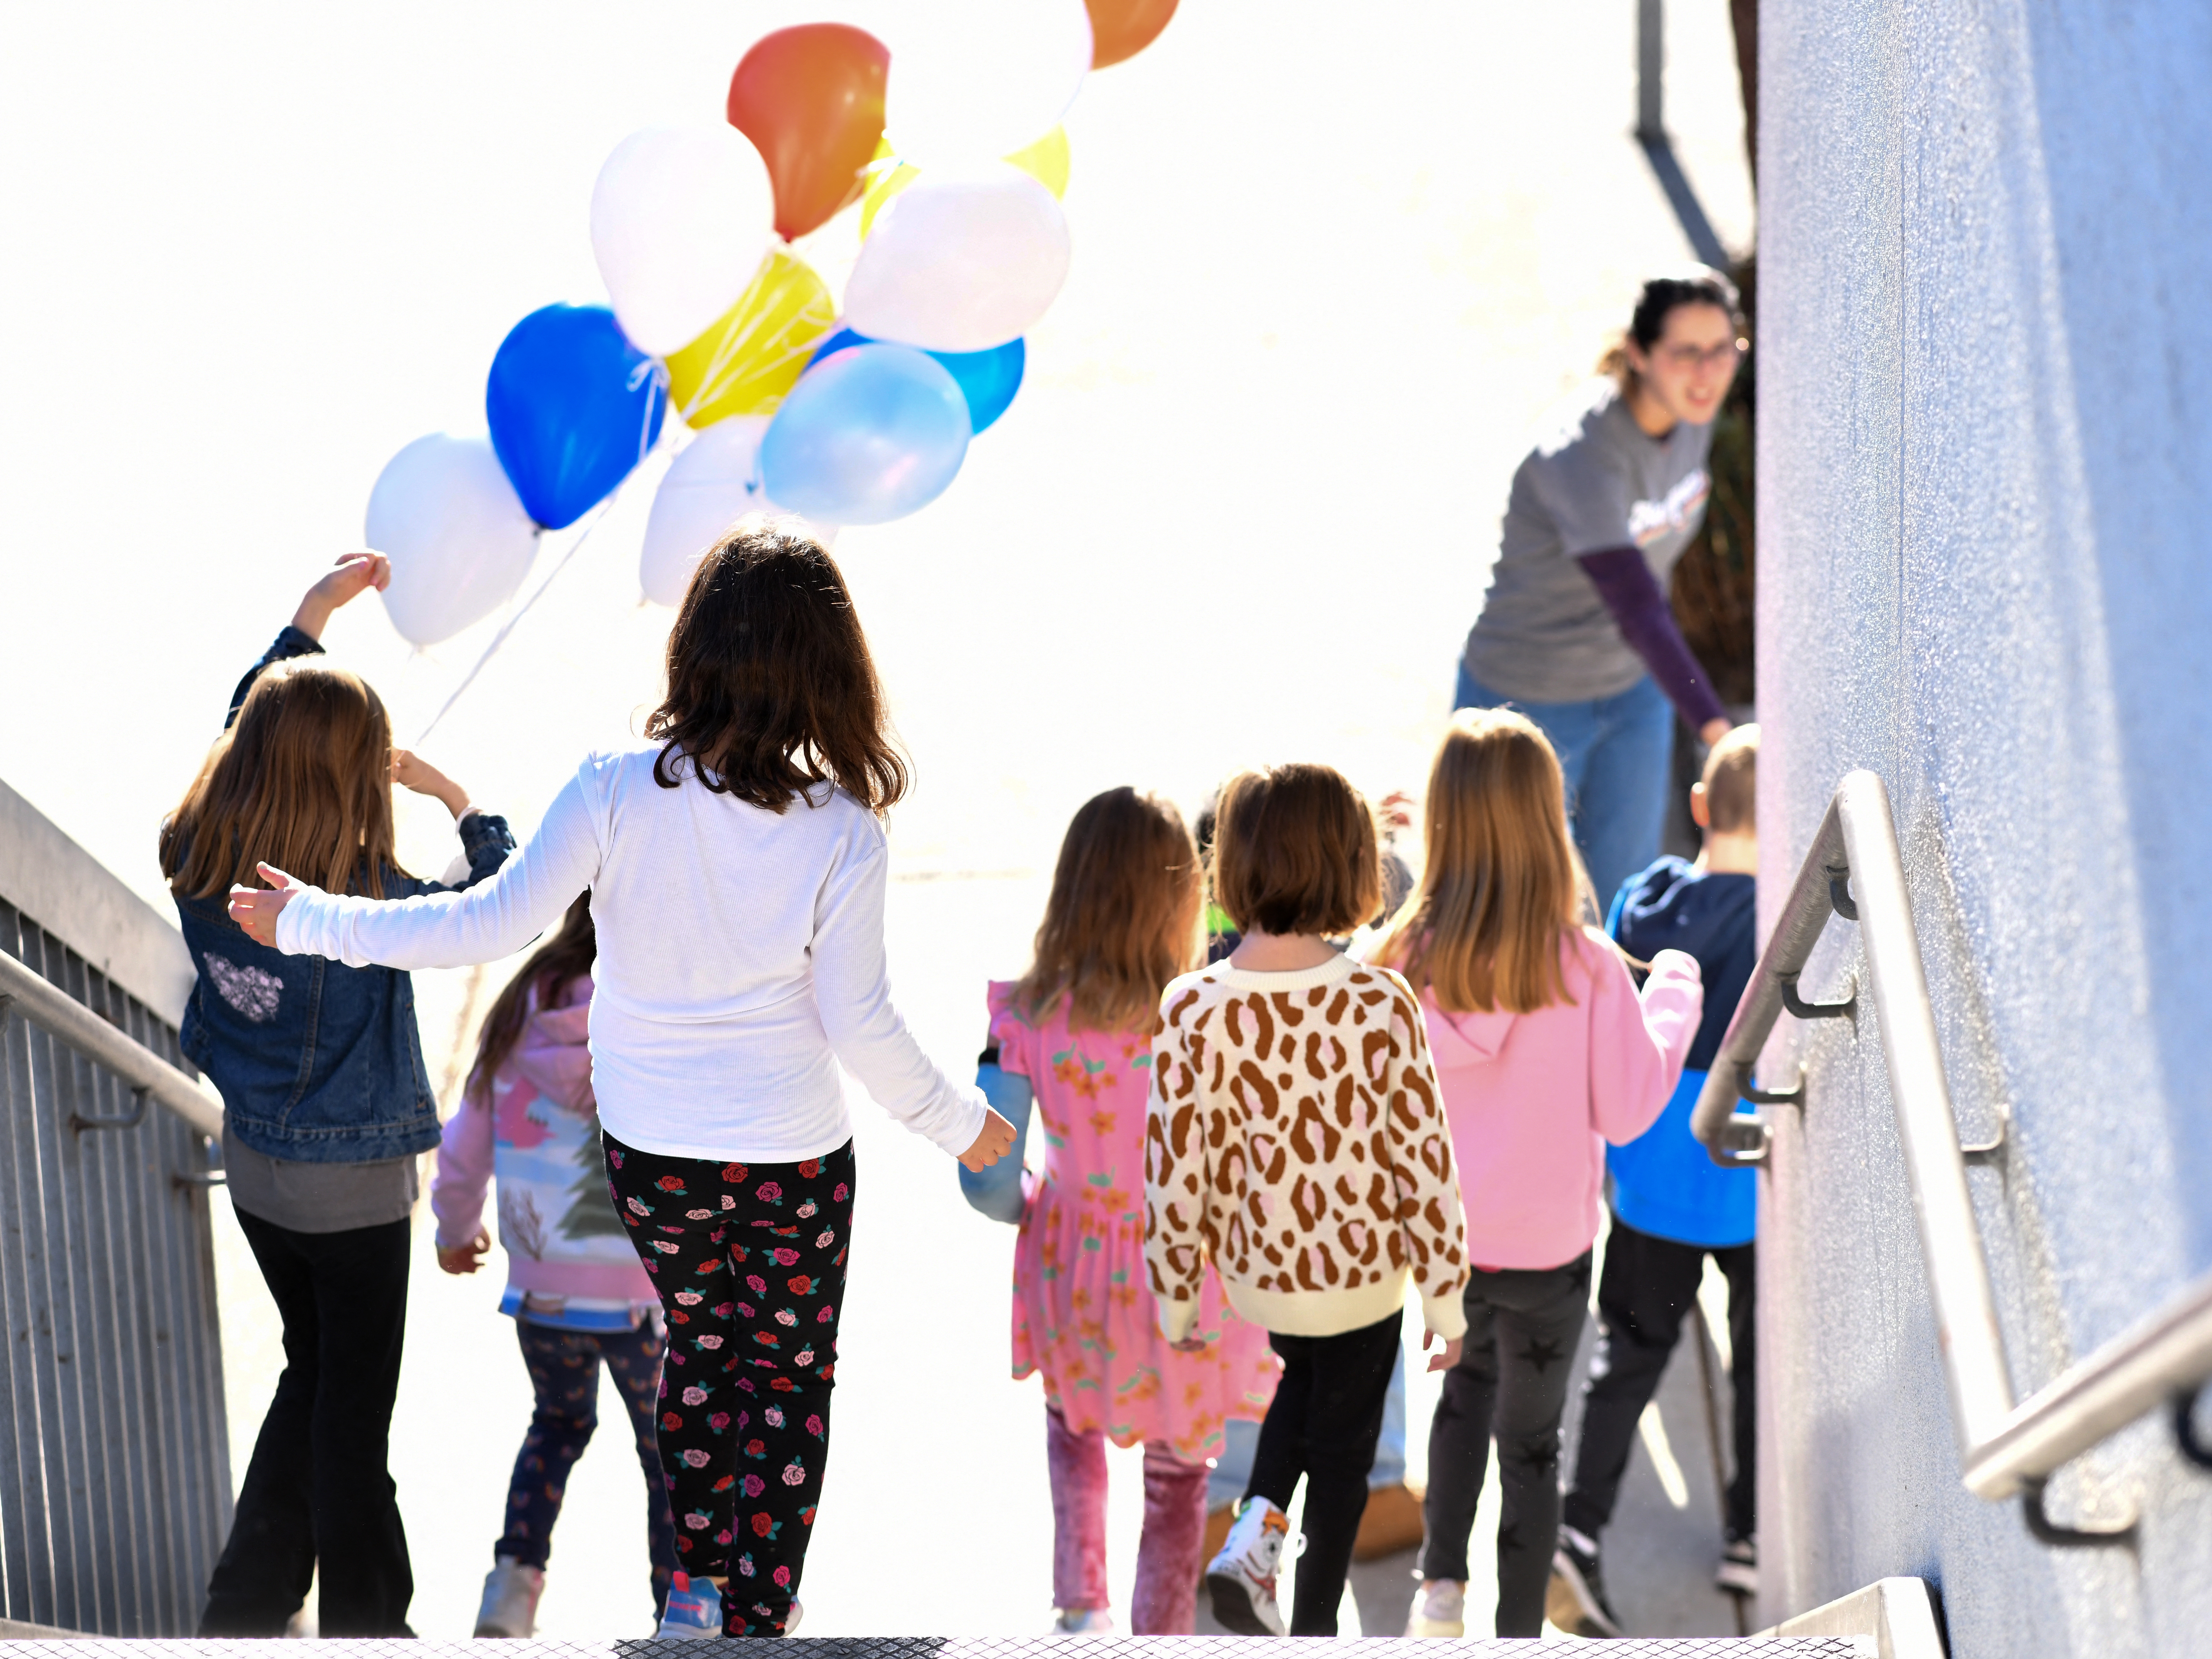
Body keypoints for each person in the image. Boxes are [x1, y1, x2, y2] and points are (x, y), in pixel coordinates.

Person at [225, 521, 1017, 1640]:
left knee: (698, 1345)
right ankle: (758, 1611)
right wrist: (966, 1126)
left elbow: (479, 924)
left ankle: (693, 1594)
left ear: (691, 650)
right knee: (786, 1378)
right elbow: (860, 1024)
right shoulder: (842, 832)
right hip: (792, 1153)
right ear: (831, 668)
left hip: (652, 1150)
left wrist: (310, 918)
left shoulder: (608, 790)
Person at [163, 552, 516, 1638]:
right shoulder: (367, 903)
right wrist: (458, 797)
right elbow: (496, 901)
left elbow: (250, 725)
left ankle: (246, 1602)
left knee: (314, 1369)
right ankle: (372, 1625)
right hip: (354, 1195)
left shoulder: (194, 846)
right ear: (358, 781)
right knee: (352, 1416)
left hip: (262, 1175)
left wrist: (311, 619)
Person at [1362, 708, 1701, 1640]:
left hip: (1447, 1250)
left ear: (1444, 820)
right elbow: (1630, 1108)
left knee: (1461, 1401)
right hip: (1551, 1249)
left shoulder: (1400, 960)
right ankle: (1516, 1631)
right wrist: (1673, 991)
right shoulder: (1587, 963)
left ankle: (1439, 1586)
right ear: (1547, 817)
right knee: (1533, 1445)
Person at [1143, 763, 1470, 1639]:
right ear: (1354, 867)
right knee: (1344, 1457)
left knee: (1302, 1375)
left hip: (1261, 1274)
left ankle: (1254, 1532)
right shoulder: (1380, 1000)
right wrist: (1446, 1295)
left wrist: (1176, 1293)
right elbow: (1423, 1158)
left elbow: (1174, 1168)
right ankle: (1314, 1621)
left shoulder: (1191, 1004)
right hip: (1364, 1276)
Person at [958, 788, 1278, 1634]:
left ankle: (1079, 1606)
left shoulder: (1026, 1015)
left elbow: (986, 1175)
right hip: (1187, 1280)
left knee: (1074, 1431)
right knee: (1179, 1477)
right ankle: (1158, 1633)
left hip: (1073, 1264)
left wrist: (1033, 1205)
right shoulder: (1220, 1015)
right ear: (1182, 894)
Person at [1551, 725, 1762, 1636]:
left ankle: (1578, 1531)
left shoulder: (1645, 895)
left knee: (1625, 1358)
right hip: (1743, 1191)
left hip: (1643, 1183)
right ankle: (1748, 1529)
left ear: (1699, 809)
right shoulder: (1776, 915)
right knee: (1760, 1360)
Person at [1455, 267, 1746, 908]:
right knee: (1514, 907)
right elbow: (1637, 607)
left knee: (1622, 896)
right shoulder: (1580, 454)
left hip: (1629, 692)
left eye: (1721, 350)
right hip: (1524, 698)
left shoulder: (1690, 415)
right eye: (1685, 354)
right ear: (1640, 354)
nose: (1706, 373)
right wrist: (1715, 728)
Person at [432, 893, 678, 1637]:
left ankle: (510, 1589)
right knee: (666, 1452)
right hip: (641, 1298)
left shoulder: (520, 1009)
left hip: (542, 1293)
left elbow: (464, 1143)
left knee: (557, 1424)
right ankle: (679, 1610)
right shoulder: (653, 1005)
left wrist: (455, 1228)